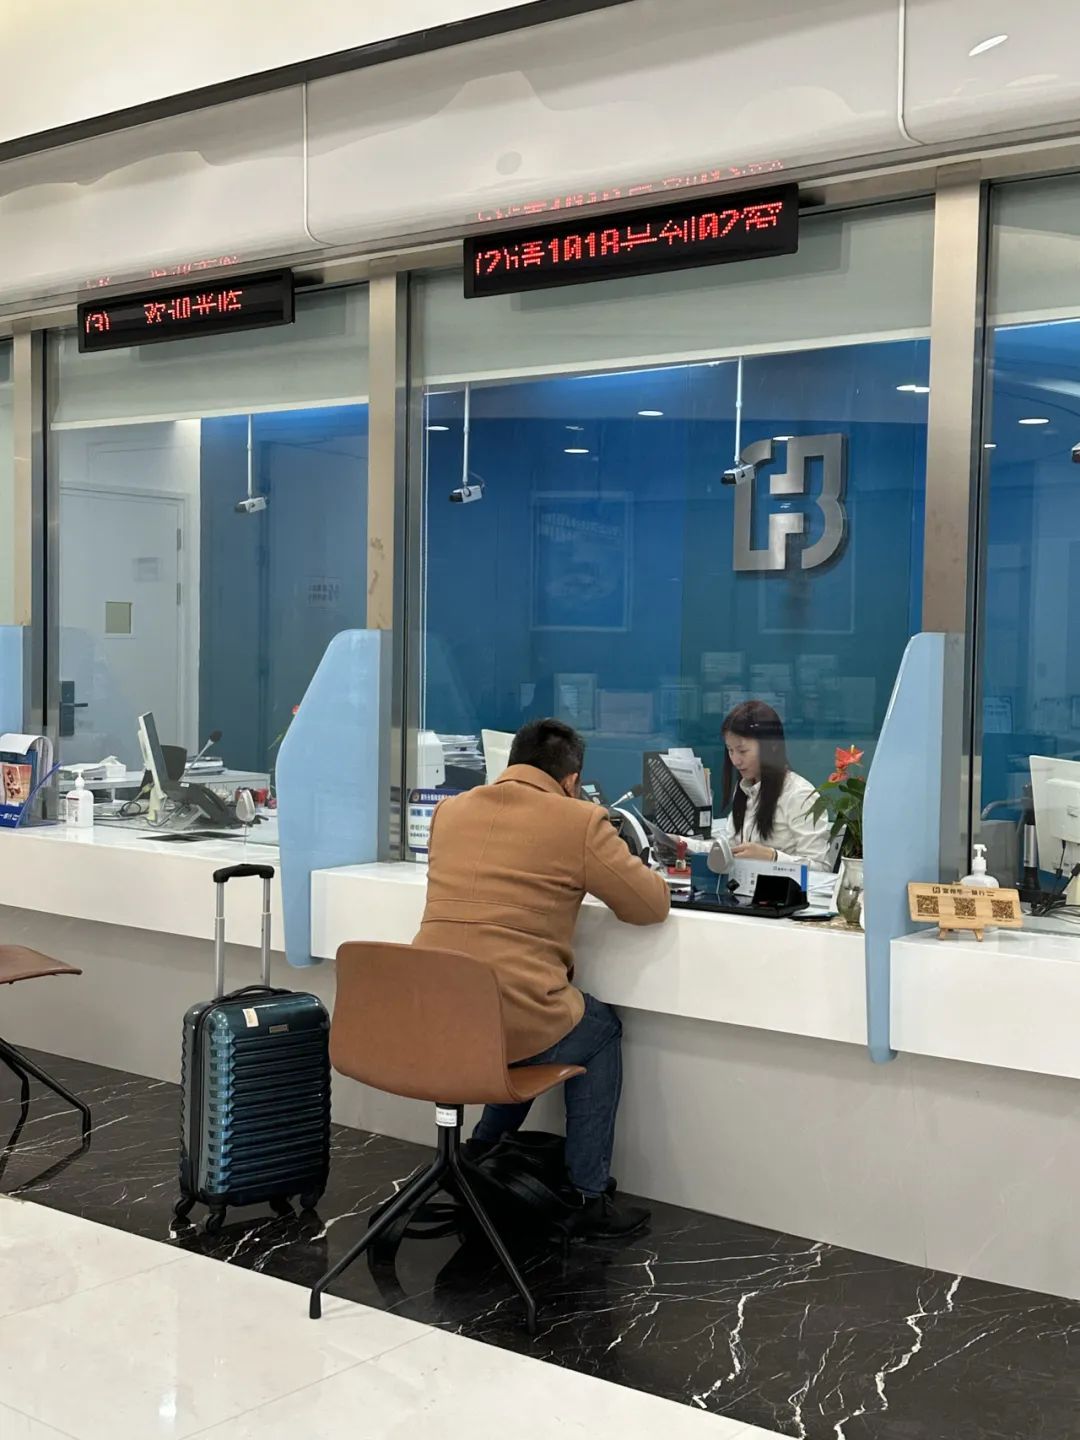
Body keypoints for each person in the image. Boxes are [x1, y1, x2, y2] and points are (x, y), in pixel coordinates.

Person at [414, 717, 670, 1236]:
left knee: (522, 1015)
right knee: (594, 1027)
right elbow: (649, 906)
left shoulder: (450, 811)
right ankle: (588, 1194)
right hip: (512, 1015)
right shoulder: (580, 820)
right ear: (571, 780)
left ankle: (478, 1154)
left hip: (431, 1015)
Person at [710, 699, 831, 869]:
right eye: (730, 750)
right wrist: (682, 844)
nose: (736, 760)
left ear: (772, 745)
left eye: (742, 751)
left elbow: (821, 868)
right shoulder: (746, 788)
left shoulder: (800, 795)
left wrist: (772, 857)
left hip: (785, 886)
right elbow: (730, 849)